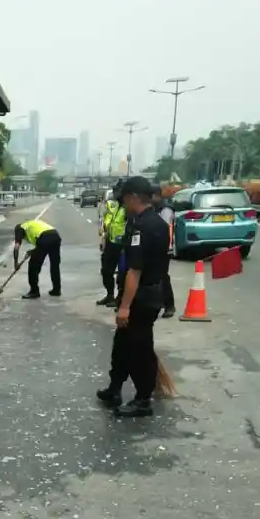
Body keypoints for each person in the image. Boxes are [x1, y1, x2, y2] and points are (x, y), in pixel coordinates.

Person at [96, 176, 170, 417]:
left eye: (126, 199)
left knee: (139, 349)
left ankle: (143, 400)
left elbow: (135, 271)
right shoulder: (154, 222)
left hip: (143, 296)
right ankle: (115, 388)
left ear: (134, 198)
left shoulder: (142, 226)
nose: (124, 204)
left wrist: (125, 306)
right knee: (122, 344)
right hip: (149, 292)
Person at [13, 218, 62, 299]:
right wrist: (32, 251)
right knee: (55, 265)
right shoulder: (31, 224)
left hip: (45, 238)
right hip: (55, 236)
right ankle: (56, 290)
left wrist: (16, 264)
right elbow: (40, 244)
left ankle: (34, 291)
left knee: (33, 266)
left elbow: (16, 247)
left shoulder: (20, 228)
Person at [97, 179, 127, 307]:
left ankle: (120, 299)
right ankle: (110, 295)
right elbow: (107, 221)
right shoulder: (112, 205)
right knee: (106, 270)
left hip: (123, 245)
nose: (114, 193)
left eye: (117, 190)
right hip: (110, 242)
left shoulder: (129, 207)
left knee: (122, 274)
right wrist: (103, 238)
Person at [151, 184, 176, 318]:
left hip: (165, 247)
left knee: (163, 277)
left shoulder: (165, 209)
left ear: (156, 196)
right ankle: (159, 303)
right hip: (158, 247)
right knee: (157, 276)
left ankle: (169, 305)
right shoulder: (156, 207)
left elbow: (164, 229)